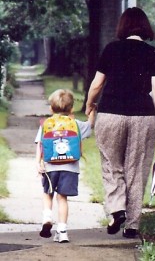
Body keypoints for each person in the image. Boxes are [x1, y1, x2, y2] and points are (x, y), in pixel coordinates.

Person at [85, 7, 155, 239]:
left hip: (111, 114)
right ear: (145, 27)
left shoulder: (112, 49)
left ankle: (116, 210)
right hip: (142, 117)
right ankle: (132, 225)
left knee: (112, 164)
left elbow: (96, 84)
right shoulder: (152, 53)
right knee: (137, 169)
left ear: (123, 26)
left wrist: (90, 104)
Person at [35, 89, 95, 243]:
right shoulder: (76, 124)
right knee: (63, 199)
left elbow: (40, 145)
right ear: (72, 109)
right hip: (70, 167)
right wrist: (92, 111)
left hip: (49, 167)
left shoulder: (46, 124)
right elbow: (91, 125)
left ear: (51, 108)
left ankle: (47, 216)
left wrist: (38, 163)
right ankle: (62, 232)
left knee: (48, 194)